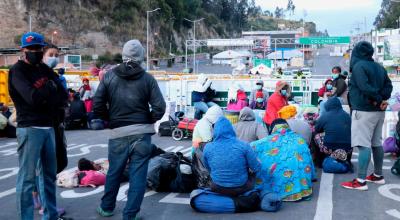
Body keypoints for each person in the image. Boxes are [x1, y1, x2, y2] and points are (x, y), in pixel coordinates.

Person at [93, 39, 166, 219]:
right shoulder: (148, 78)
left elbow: (97, 104)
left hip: (118, 133)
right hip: (142, 135)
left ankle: (107, 208)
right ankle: (130, 215)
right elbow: (160, 107)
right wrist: (147, 120)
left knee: (114, 172)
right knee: (138, 176)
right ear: (141, 57)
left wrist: (110, 119)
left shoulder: (109, 76)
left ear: (123, 55)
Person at [9, 32, 68, 219]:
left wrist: (48, 94)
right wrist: (49, 89)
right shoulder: (17, 71)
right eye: (31, 48)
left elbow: (63, 95)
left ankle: (50, 215)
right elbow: (31, 98)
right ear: (23, 50)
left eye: (38, 48)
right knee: (27, 180)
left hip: (48, 127)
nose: (35, 51)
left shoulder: (44, 68)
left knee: (49, 177)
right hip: (29, 129)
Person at [341, 41, 393, 191]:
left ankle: (361, 180)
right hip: (379, 112)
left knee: (363, 145)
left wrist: (377, 100)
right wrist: (382, 99)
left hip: (364, 111)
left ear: (357, 52)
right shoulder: (379, 67)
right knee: (376, 143)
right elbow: (388, 86)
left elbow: (364, 87)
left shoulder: (358, 67)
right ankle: (378, 175)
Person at [251, 119, 315, 202]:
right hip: (303, 190)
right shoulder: (300, 140)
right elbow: (310, 166)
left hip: (274, 192)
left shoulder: (265, 142)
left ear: (273, 129)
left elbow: (250, 147)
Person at [203, 117, 261, 196]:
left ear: (215, 131)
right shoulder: (244, 145)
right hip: (241, 187)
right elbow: (256, 168)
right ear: (231, 129)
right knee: (252, 174)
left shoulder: (208, 147)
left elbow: (208, 168)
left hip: (217, 187)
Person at [314, 97, 352, 164]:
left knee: (316, 135)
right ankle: (347, 159)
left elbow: (316, 129)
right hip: (347, 149)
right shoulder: (347, 116)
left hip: (330, 149)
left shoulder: (325, 115)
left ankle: (319, 160)